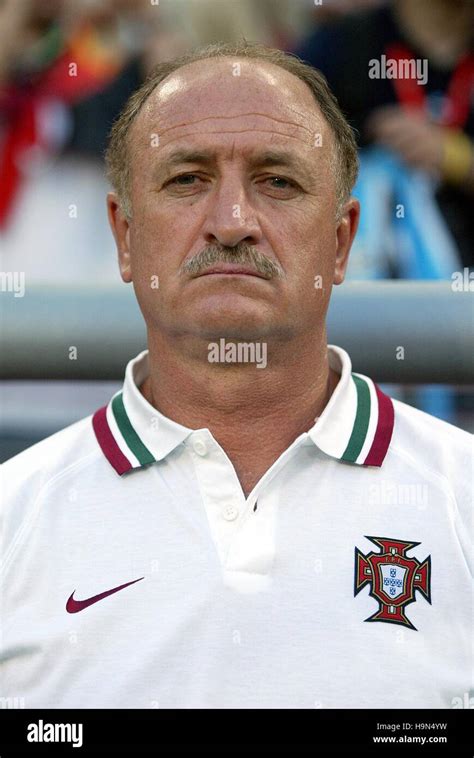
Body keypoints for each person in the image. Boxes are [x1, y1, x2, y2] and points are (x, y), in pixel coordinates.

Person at [0, 41, 471, 709]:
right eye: (187, 179)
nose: (231, 224)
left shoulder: (462, 500)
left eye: (277, 181)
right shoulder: (12, 518)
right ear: (124, 237)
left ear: (341, 242)